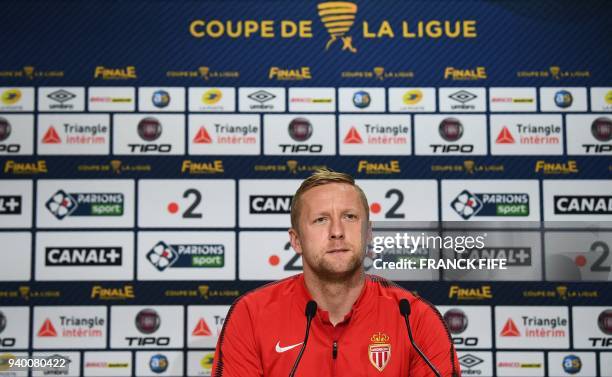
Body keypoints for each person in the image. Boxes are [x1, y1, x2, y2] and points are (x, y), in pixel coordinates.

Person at [212, 169, 460, 376]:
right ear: (296, 240)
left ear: (368, 232)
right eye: (321, 220)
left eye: (350, 217)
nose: (337, 231)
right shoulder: (251, 316)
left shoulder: (414, 319)